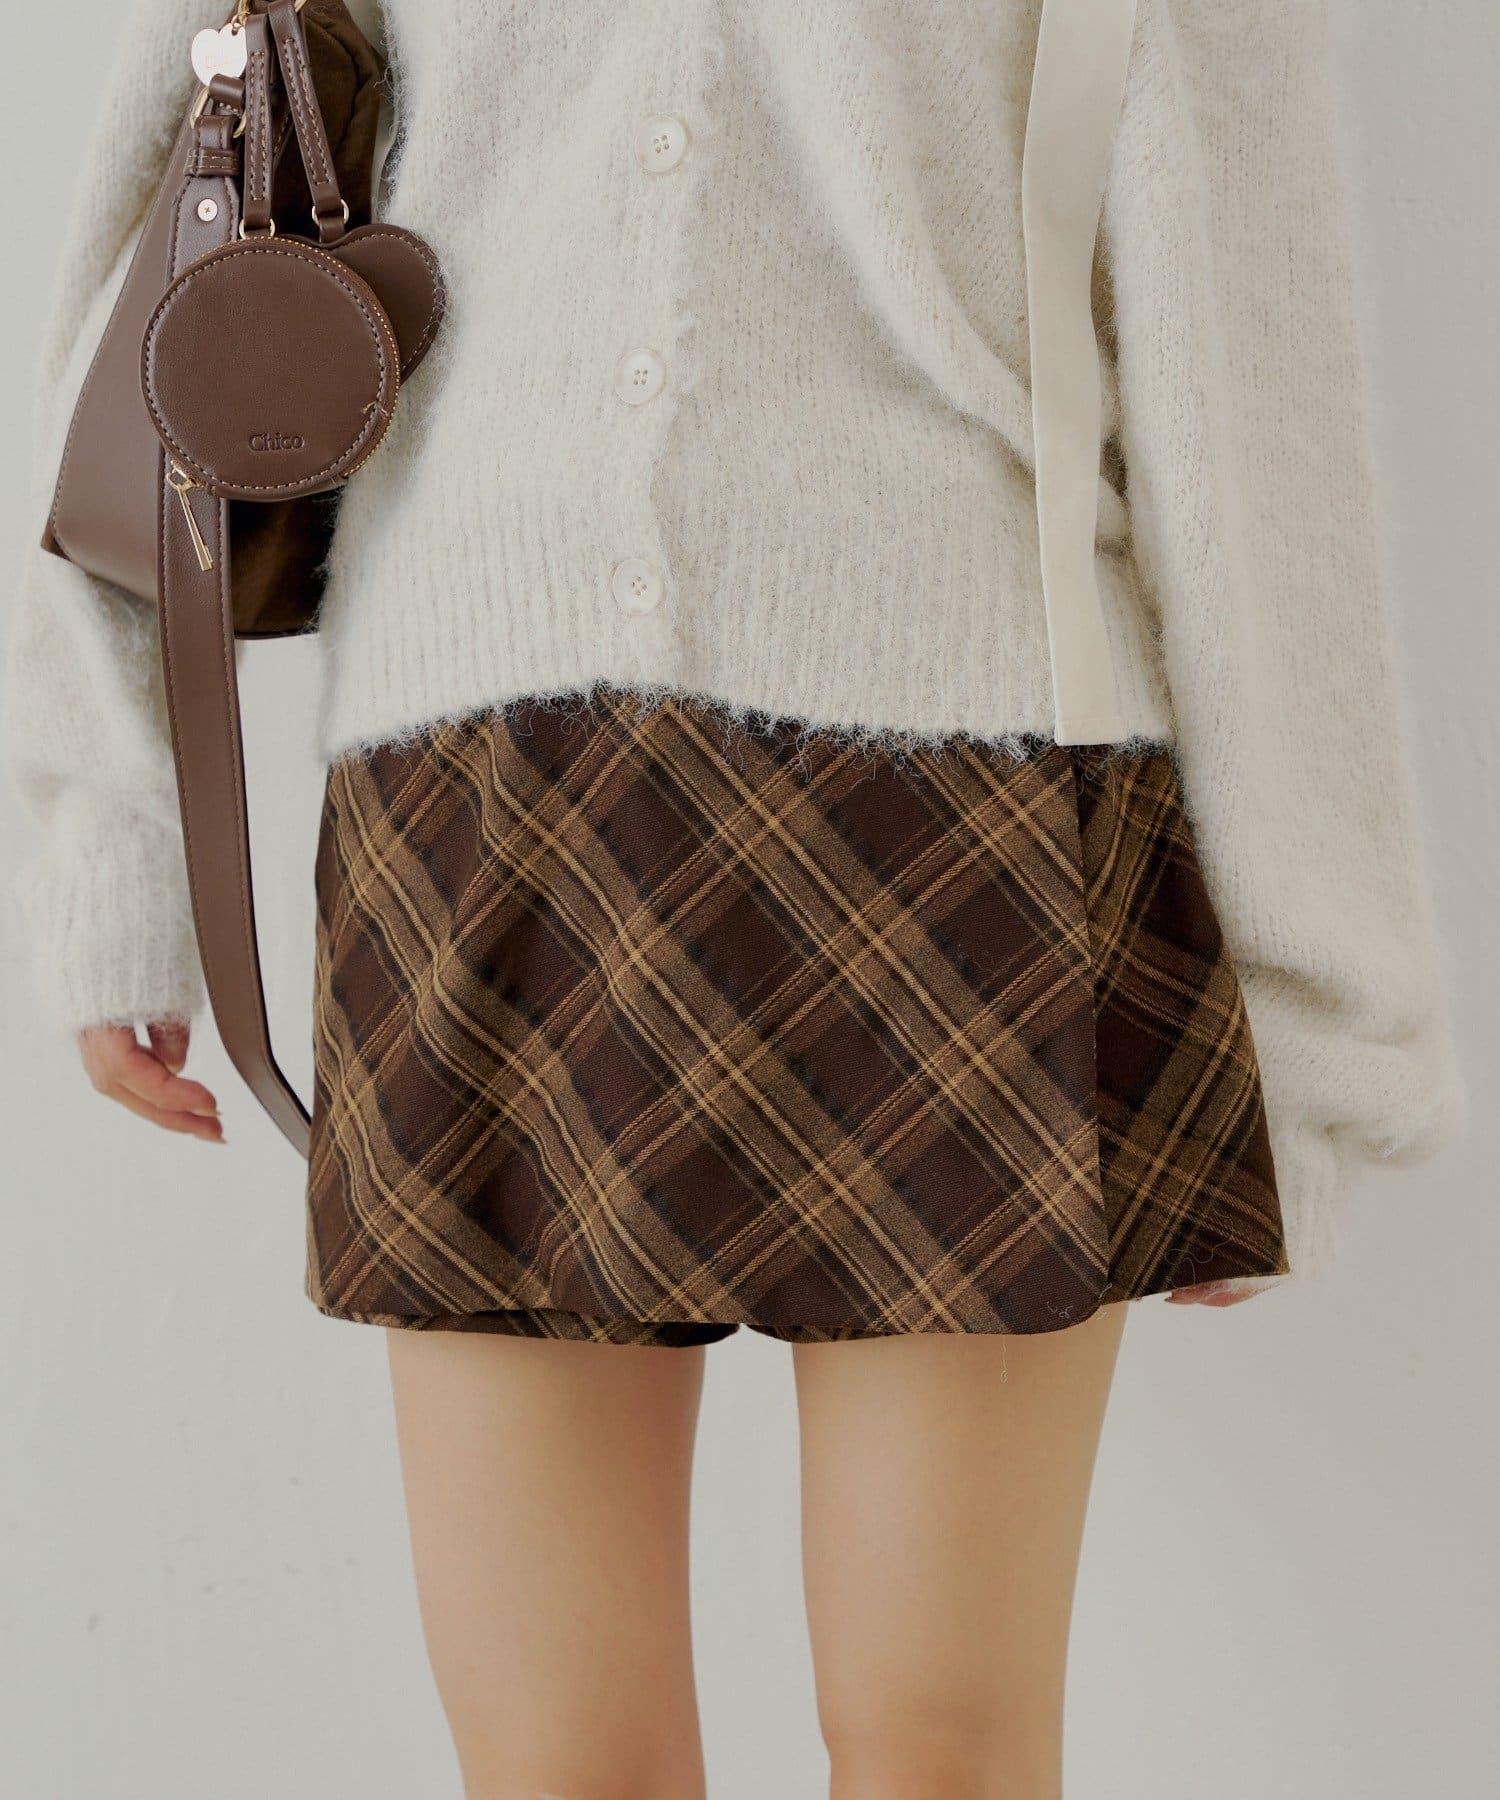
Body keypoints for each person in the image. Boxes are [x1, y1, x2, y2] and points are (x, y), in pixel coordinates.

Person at [7, 2, 1462, 1794]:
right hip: (483, 800)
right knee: (559, 1764)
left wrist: (1317, 1019)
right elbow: (178, 236)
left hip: (974, 808)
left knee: (939, 1747)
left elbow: (1254, 371)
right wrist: (116, 827)